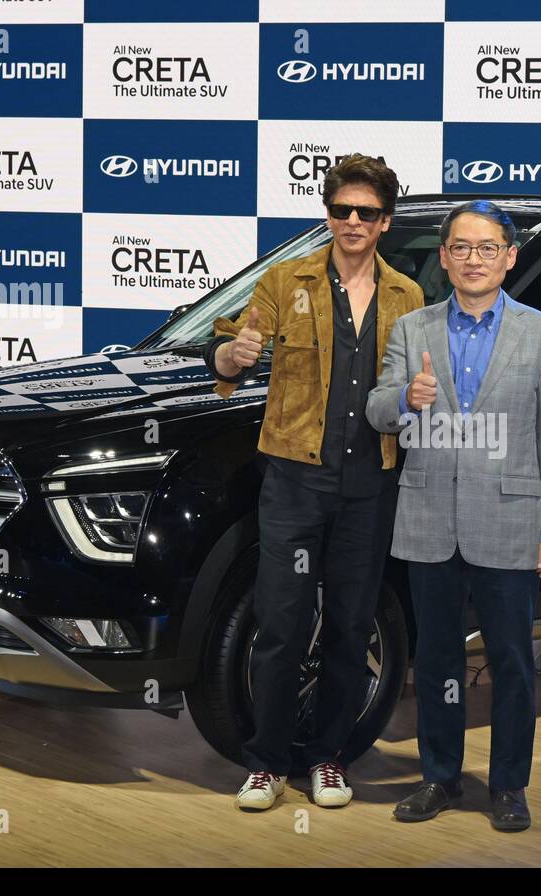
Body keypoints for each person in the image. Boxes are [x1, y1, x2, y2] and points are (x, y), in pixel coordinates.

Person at [205, 154, 424, 811]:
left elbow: (417, 387)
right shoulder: (284, 280)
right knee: (280, 621)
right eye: (340, 210)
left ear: (384, 222)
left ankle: (329, 758)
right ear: (327, 213)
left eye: (365, 212)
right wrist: (231, 355)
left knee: (351, 626)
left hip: (370, 483)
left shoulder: (406, 297)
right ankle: (267, 762)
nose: (351, 222)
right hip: (295, 478)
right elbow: (226, 350)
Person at [366, 199, 541, 831]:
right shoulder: (413, 329)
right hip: (430, 519)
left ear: (509, 258)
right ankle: (439, 776)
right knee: (433, 660)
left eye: (487, 248)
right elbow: (379, 411)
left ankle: (510, 785)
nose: (473, 259)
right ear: (444, 257)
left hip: (511, 521)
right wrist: (407, 397)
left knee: (512, 660)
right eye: (461, 247)